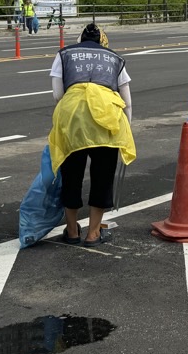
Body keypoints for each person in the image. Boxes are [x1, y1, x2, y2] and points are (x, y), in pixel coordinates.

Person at [48, 23, 136, 245]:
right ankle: (94, 233)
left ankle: (72, 231)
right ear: (102, 41)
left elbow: (58, 95)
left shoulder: (64, 54)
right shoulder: (114, 58)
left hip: (73, 119)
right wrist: (126, 129)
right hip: (107, 119)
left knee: (71, 175)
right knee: (103, 175)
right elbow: (127, 101)